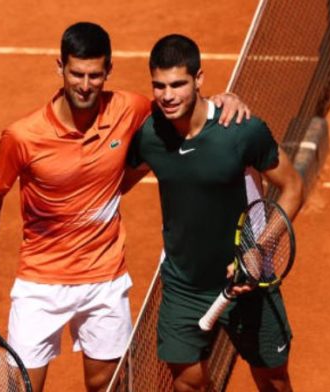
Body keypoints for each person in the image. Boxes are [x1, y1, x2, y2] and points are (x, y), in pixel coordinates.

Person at [0, 23, 251, 392]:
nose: (85, 85)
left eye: (95, 75)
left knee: (108, 385)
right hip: (41, 282)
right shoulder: (23, 136)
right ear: (60, 68)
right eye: (76, 74)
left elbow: (180, 109)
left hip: (105, 280)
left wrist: (222, 99)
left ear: (108, 72)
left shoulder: (127, 109)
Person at [124, 34, 303, 392]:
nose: (168, 95)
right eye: (159, 86)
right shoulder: (150, 136)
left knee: (273, 379)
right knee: (187, 383)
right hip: (183, 286)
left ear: (199, 79)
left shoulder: (241, 130)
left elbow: (293, 187)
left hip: (250, 281)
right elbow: (115, 183)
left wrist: (258, 250)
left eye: (178, 84)